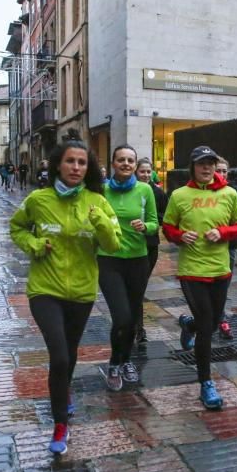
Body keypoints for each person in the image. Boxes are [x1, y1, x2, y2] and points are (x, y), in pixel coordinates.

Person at [9, 140, 121, 454]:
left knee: (70, 353)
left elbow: (113, 246)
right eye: (70, 161)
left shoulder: (97, 201)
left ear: (88, 169)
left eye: (82, 163)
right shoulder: (37, 200)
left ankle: (64, 389)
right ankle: (60, 425)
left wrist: (100, 222)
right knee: (58, 356)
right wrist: (33, 244)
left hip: (83, 292)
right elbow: (17, 228)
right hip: (45, 289)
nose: (75, 168)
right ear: (58, 164)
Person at [163, 146, 237, 409]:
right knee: (207, 326)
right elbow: (168, 226)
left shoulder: (230, 194)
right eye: (202, 163)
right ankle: (206, 383)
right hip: (192, 270)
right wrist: (179, 236)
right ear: (193, 167)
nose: (207, 168)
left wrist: (223, 232)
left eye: (211, 163)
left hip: (220, 269)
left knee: (210, 325)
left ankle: (189, 325)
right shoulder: (179, 195)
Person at [98, 145, 158, 391]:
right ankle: (114, 363)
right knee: (120, 316)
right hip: (108, 259)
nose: (125, 163)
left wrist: (145, 227)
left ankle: (125, 361)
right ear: (113, 163)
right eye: (121, 159)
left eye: (130, 160)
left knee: (132, 317)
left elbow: (156, 222)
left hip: (137, 260)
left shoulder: (145, 189)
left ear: (135, 165)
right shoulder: (101, 190)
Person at [213, 158, 237, 340]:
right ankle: (208, 319)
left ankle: (219, 319)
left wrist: (230, 232)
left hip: (228, 246)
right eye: (218, 171)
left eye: (224, 171)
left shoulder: (235, 192)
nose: (221, 175)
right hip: (207, 248)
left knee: (223, 284)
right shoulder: (203, 193)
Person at [133, 157, 168, 347]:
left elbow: (166, 216)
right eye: (142, 171)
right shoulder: (130, 191)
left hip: (149, 245)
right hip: (129, 245)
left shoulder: (158, 193)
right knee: (135, 288)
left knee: (139, 287)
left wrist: (151, 219)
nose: (145, 175)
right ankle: (137, 327)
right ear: (136, 172)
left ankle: (138, 327)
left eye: (148, 172)